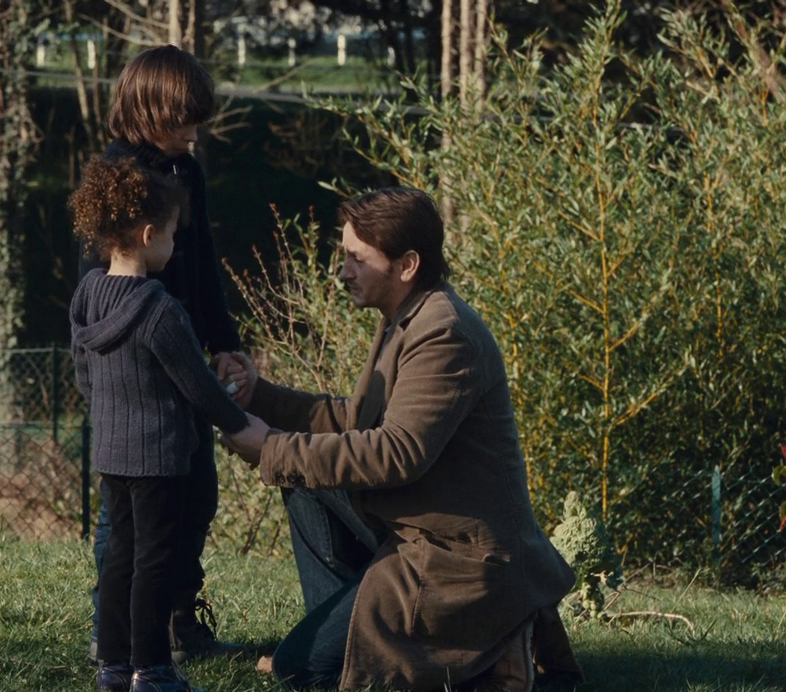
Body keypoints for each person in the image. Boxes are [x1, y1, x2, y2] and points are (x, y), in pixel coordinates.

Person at [222, 188, 582, 691]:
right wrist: (260, 397)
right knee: (303, 479)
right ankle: (351, 644)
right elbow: (354, 421)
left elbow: (397, 453)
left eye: (357, 259)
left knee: (305, 672)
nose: (343, 271)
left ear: (407, 265)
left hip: (461, 560)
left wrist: (271, 448)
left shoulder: (444, 332)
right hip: (414, 530)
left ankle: (495, 654)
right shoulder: (404, 317)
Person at [69, 156, 265, 692]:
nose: (176, 246)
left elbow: (84, 373)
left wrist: (111, 413)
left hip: (112, 455)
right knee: (155, 562)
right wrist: (241, 423)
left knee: (119, 558)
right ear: (148, 235)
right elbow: (197, 386)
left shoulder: (87, 297)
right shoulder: (160, 309)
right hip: (160, 459)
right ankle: (152, 669)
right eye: (174, 235)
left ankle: (113, 666)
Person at [81, 44, 249, 664]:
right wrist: (100, 382)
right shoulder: (115, 176)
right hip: (132, 373)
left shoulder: (189, 174)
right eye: (184, 121)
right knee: (125, 520)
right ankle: (116, 632)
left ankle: (178, 618)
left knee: (196, 495)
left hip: (184, 355)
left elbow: (202, 264)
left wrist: (225, 345)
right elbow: (92, 283)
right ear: (149, 109)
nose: (194, 134)